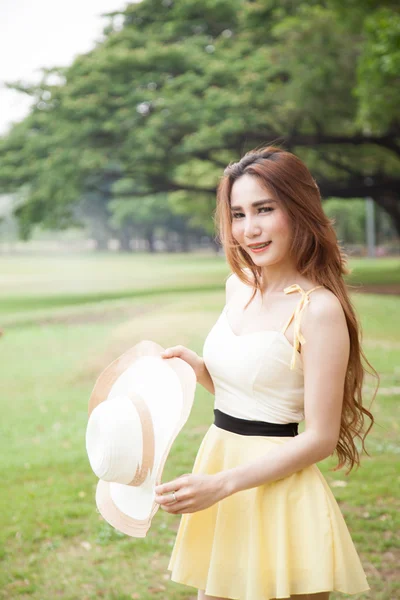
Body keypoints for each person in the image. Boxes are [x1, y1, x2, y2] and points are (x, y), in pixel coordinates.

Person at [155, 146, 378, 600]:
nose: (248, 229)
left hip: (276, 494)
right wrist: (201, 371)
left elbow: (318, 437)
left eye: (264, 209)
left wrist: (220, 484)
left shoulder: (318, 310)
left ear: (297, 210)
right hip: (221, 469)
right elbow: (257, 397)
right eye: (238, 214)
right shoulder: (236, 286)